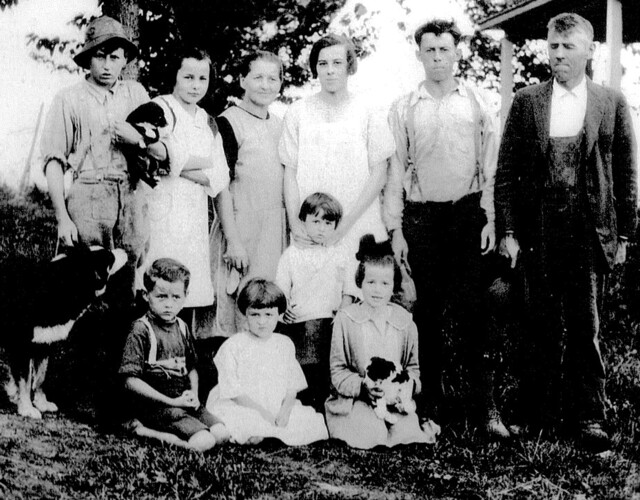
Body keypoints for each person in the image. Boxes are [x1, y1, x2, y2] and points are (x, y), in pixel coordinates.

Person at [495, 13, 637, 449]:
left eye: (568, 47)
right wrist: (509, 231)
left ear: (589, 50)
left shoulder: (610, 102)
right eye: (553, 47)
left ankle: (589, 418)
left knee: (584, 328)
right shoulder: (527, 102)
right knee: (537, 326)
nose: (559, 55)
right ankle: (536, 414)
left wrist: (625, 236)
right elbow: (506, 172)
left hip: (589, 234)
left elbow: (626, 174)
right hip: (539, 232)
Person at [383, 20, 505, 435]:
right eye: (430, 50)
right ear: (419, 54)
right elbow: (395, 172)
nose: (437, 58)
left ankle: (485, 409)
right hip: (422, 219)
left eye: (444, 50)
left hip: (466, 216)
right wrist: (396, 230)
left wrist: (489, 217)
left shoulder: (475, 101)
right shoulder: (403, 107)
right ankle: (430, 404)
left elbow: (490, 168)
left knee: (475, 313)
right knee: (428, 316)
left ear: (457, 53)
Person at [41, 15, 161, 310]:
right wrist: (62, 217)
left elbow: (160, 149)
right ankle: (82, 352)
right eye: (100, 56)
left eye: (115, 57)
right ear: (88, 59)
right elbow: (54, 161)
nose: (107, 66)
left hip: (131, 196)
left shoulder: (136, 93)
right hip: (88, 197)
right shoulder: (69, 99)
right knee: (86, 282)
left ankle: (125, 352)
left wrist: (138, 137)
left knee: (129, 276)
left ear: (125, 61)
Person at [279, 34, 395, 280]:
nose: (330, 71)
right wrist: (295, 222)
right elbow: (289, 171)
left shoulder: (369, 110)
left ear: (349, 66)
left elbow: (379, 173)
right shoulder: (298, 112)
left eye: (337, 63)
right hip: (312, 228)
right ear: (315, 68)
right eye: (323, 64)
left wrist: (343, 227)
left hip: (357, 224)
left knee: (354, 297)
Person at [142, 47, 229, 337]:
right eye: (188, 76)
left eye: (202, 78)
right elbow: (153, 153)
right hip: (163, 209)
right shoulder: (160, 107)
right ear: (175, 76)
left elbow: (221, 174)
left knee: (187, 289)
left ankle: (180, 352)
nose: (195, 85)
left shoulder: (207, 120)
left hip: (193, 215)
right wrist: (192, 166)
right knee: (159, 282)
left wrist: (178, 164)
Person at [325, 235, 440, 449]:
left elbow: (413, 369)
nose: (377, 290)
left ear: (393, 286)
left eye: (384, 283)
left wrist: (406, 388)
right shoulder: (346, 320)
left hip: (394, 400)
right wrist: (362, 387)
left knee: (406, 437)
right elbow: (338, 371)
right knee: (372, 436)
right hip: (356, 400)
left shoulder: (405, 322)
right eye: (371, 282)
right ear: (360, 282)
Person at [211, 50, 286, 337]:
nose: (265, 85)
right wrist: (233, 241)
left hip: (274, 233)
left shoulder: (281, 125)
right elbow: (220, 185)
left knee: (266, 311)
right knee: (236, 312)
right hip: (240, 231)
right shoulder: (228, 122)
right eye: (257, 77)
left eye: (272, 78)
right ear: (243, 80)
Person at [119, 258, 228, 452]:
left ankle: (183, 428)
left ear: (186, 295)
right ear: (146, 295)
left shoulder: (182, 327)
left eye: (176, 297)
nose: (169, 304)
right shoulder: (141, 329)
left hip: (182, 403)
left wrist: (193, 395)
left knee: (221, 434)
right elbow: (130, 381)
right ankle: (149, 432)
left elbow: (191, 368)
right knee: (204, 442)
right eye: (161, 296)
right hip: (156, 407)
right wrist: (171, 401)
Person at [206, 278, 329, 445]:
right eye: (255, 314)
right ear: (245, 314)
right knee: (240, 418)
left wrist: (285, 411)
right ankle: (259, 434)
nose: (262, 322)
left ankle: (266, 433)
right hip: (244, 404)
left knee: (309, 421)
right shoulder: (234, 345)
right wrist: (262, 413)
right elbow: (233, 392)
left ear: (279, 315)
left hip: (276, 405)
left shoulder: (284, 344)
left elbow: (292, 386)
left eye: (268, 315)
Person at [275, 192, 358, 411]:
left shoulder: (340, 252)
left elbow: (349, 288)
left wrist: (344, 307)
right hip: (300, 321)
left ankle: (327, 402)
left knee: (329, 363)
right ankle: (307, 403)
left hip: (331, 320)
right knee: (306, 363)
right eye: (316, 221)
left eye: (328, 223)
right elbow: (281, 289)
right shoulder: (292, 254)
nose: (321, 228)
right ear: (303, 222)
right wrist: (283, 311)